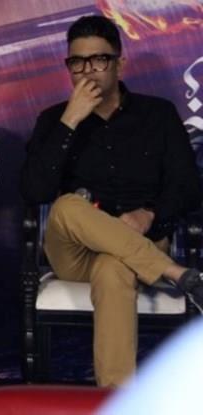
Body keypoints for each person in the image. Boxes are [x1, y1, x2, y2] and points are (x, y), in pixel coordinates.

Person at [21, 15, 203, 387]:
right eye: (77, 62)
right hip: (74, 251)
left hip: (141, 241)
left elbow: (187, 186)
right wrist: (70, 121)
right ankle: (176, 274)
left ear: (120, 63)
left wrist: (149, 215)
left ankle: (114, 397)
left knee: (112, 267)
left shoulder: (158, 114)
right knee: (67, 206)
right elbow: (34, 191)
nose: (87, 71)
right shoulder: (54, 119)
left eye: (99, 60)